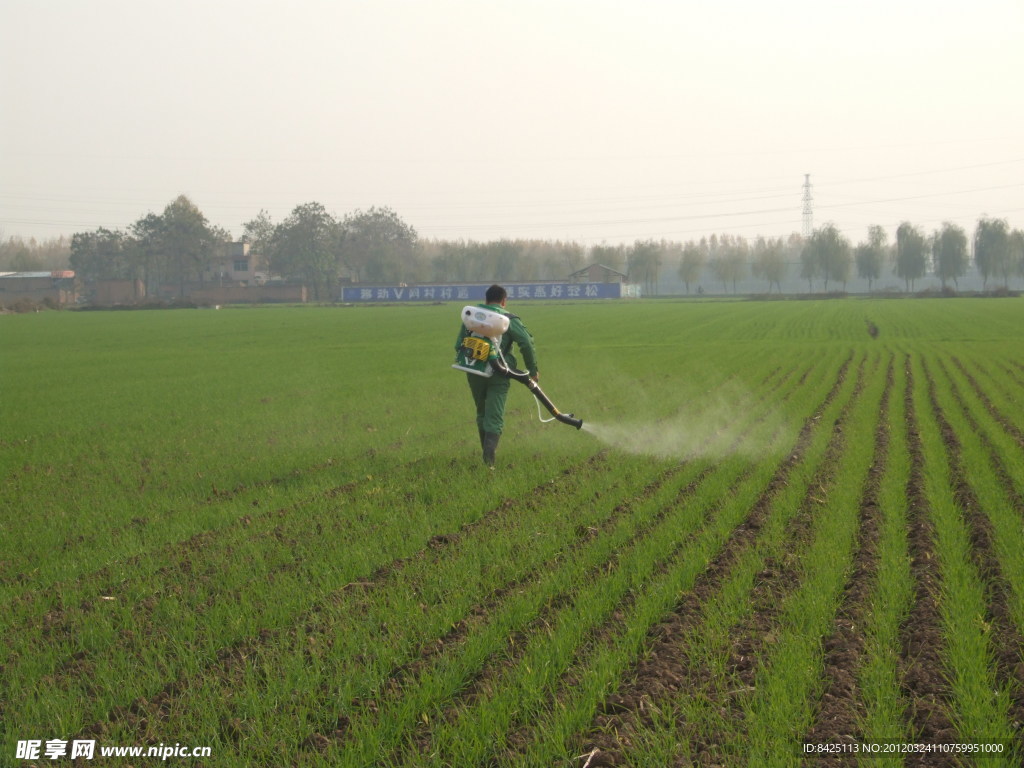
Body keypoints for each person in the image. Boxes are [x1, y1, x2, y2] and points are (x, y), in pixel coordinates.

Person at [454, 284, 538, 467]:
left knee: (482, 412)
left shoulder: (471, 316)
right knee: (495, 414)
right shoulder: (507, 319)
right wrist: (532, 371)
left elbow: (459, 344)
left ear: (485, 300)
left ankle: (486, 457)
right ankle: (489, 461)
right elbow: (526, 343)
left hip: (474, 371)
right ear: (504, 301)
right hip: (499, 372)